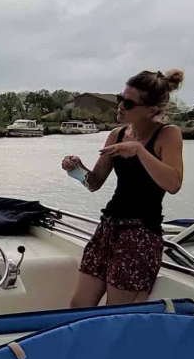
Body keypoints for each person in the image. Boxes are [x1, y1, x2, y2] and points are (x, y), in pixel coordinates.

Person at [61, 69, 185, 307]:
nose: (120, 106)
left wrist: (138, 150)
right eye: (120, 98)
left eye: (128, 103)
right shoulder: (116, 135)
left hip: (140, 235)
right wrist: (75, 170)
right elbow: (94, 183)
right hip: (108, 228)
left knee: (113, 313)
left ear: (151, 110)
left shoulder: (168, 134)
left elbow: (173, 184)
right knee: (78, 306)